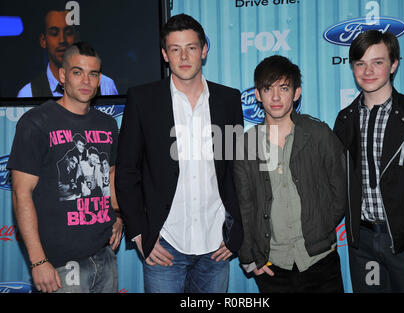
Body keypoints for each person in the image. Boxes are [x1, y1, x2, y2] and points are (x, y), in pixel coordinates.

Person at [115, 13, 243, 293]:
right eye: (175, 49)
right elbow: (126, 172)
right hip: (165, 246)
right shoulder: (142, 99)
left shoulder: (228, 100)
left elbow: (236, 170)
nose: (184, 56)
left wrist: (237, 233)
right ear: (165, 54)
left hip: (216, 245)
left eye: (191, 48)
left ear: (204, 50)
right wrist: (139, 234)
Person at [333, 30, 404, 292]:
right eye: (360, 63)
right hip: (362, 246)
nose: (368, 71)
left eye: (378, 62)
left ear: (394, 64)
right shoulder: (344, 120)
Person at [8, 42, 123, 293]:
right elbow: (21, 193)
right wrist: (38, 261)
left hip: (104, 256)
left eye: (93, 74)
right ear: (62, 76)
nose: (86, 81)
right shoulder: (36, 123)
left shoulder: (107, 124)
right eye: (77, 72)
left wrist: (118, 214)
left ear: (99, 79)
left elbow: (110, 173)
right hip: (60, 265)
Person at [234, 55, 346, 293]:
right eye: (268, 88)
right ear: (257, 94)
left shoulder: (319, 134)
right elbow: (244, 206)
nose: (275, 97)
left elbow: (341, 189)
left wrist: (322, 225)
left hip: (320, 260)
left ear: (296, 93)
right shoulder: (246, 144)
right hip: (272, 266)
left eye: (283, 88)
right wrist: (249, 257)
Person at [17, 9, 117, 97]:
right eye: (54, 33)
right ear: (43, 40)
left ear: (77, 37)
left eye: (68, 32)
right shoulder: (28, 93)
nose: (62, 40)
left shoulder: (105, 85)